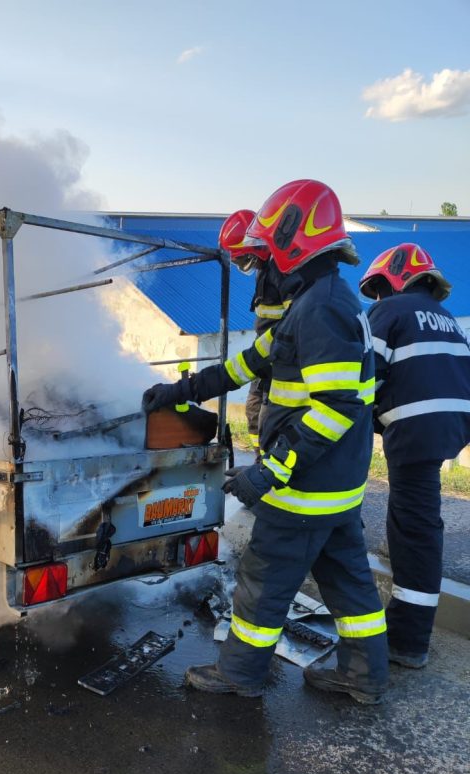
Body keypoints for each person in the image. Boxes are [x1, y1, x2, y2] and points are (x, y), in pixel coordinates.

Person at [143, 179, 389, 704]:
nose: (262, 272)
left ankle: (238, 674)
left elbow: (335, 406)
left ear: (290, 244)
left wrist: (269, 471)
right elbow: (245, 365)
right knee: (349, 585)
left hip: (305, 490)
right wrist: (179, 390)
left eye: (264, 259)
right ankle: (364, 677)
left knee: (264, 579)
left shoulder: (320, 308)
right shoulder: (317, 300)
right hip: (336, 490)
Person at [359, 243, 470, 668]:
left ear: (393, 278)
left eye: (378, 290)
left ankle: (407, 641)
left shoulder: (390, 312)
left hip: (416, 426)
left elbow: (363, 374)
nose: (378, 299)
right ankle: (411, 633)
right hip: (450, 423)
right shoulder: (445, 318)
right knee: (419, 520)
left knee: (414, 528)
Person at [218, 209, 289, 458]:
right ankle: (261, 456)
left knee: (269, 416)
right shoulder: (265, 272)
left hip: (278, 361)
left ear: (256, 245)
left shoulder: (282, 273)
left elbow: (289, 327)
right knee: (253, 409)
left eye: (241, 258)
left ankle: (268, 460)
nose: (240, 264)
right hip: (263, 357)